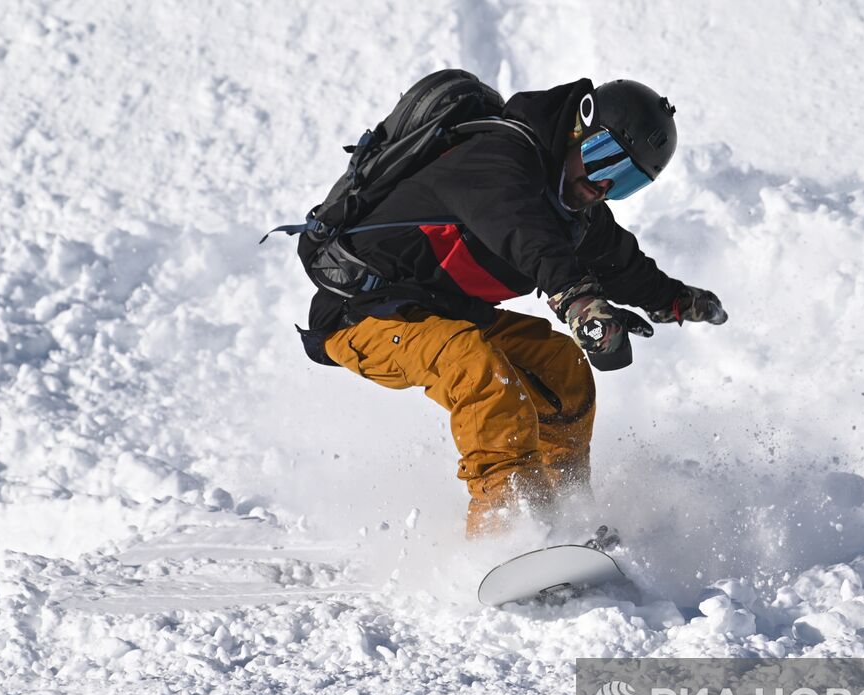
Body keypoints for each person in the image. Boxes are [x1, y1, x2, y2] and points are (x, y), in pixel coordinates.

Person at [306, 77, 727, 537]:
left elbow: (620, 264)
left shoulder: (574, 210)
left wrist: (675, 300)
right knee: (477, 368)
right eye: (605, 159)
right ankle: (504, 529)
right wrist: (579, 300)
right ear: (577, 130)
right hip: (363, 313)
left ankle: (564, 516)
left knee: (560, 367)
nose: (604, 184)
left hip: (442, 314)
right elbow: (523, 230)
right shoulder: (495, 156)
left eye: (626, 181)